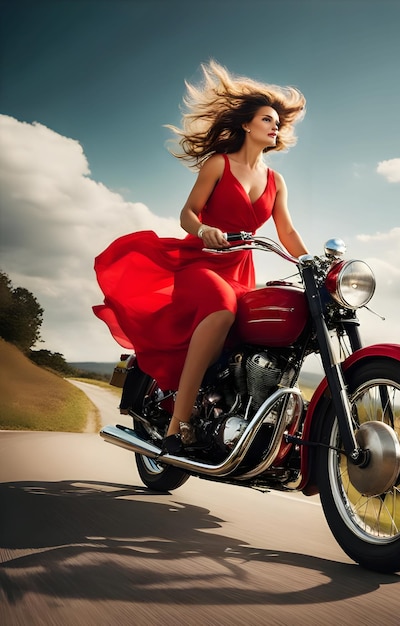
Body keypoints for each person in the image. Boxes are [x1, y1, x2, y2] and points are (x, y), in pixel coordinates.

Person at [93, 61, 308, 453]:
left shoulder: (276, 182)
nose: (274, 126)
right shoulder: (218, 164)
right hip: (202, 262)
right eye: (266, 119)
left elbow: (287, 231)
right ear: (247, 125)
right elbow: (187, 213)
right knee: (223, 311)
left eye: (277, 122)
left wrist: (311, 262)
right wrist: (204, 229)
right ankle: (178, 425)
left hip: (240, 268)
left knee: (255, 338)